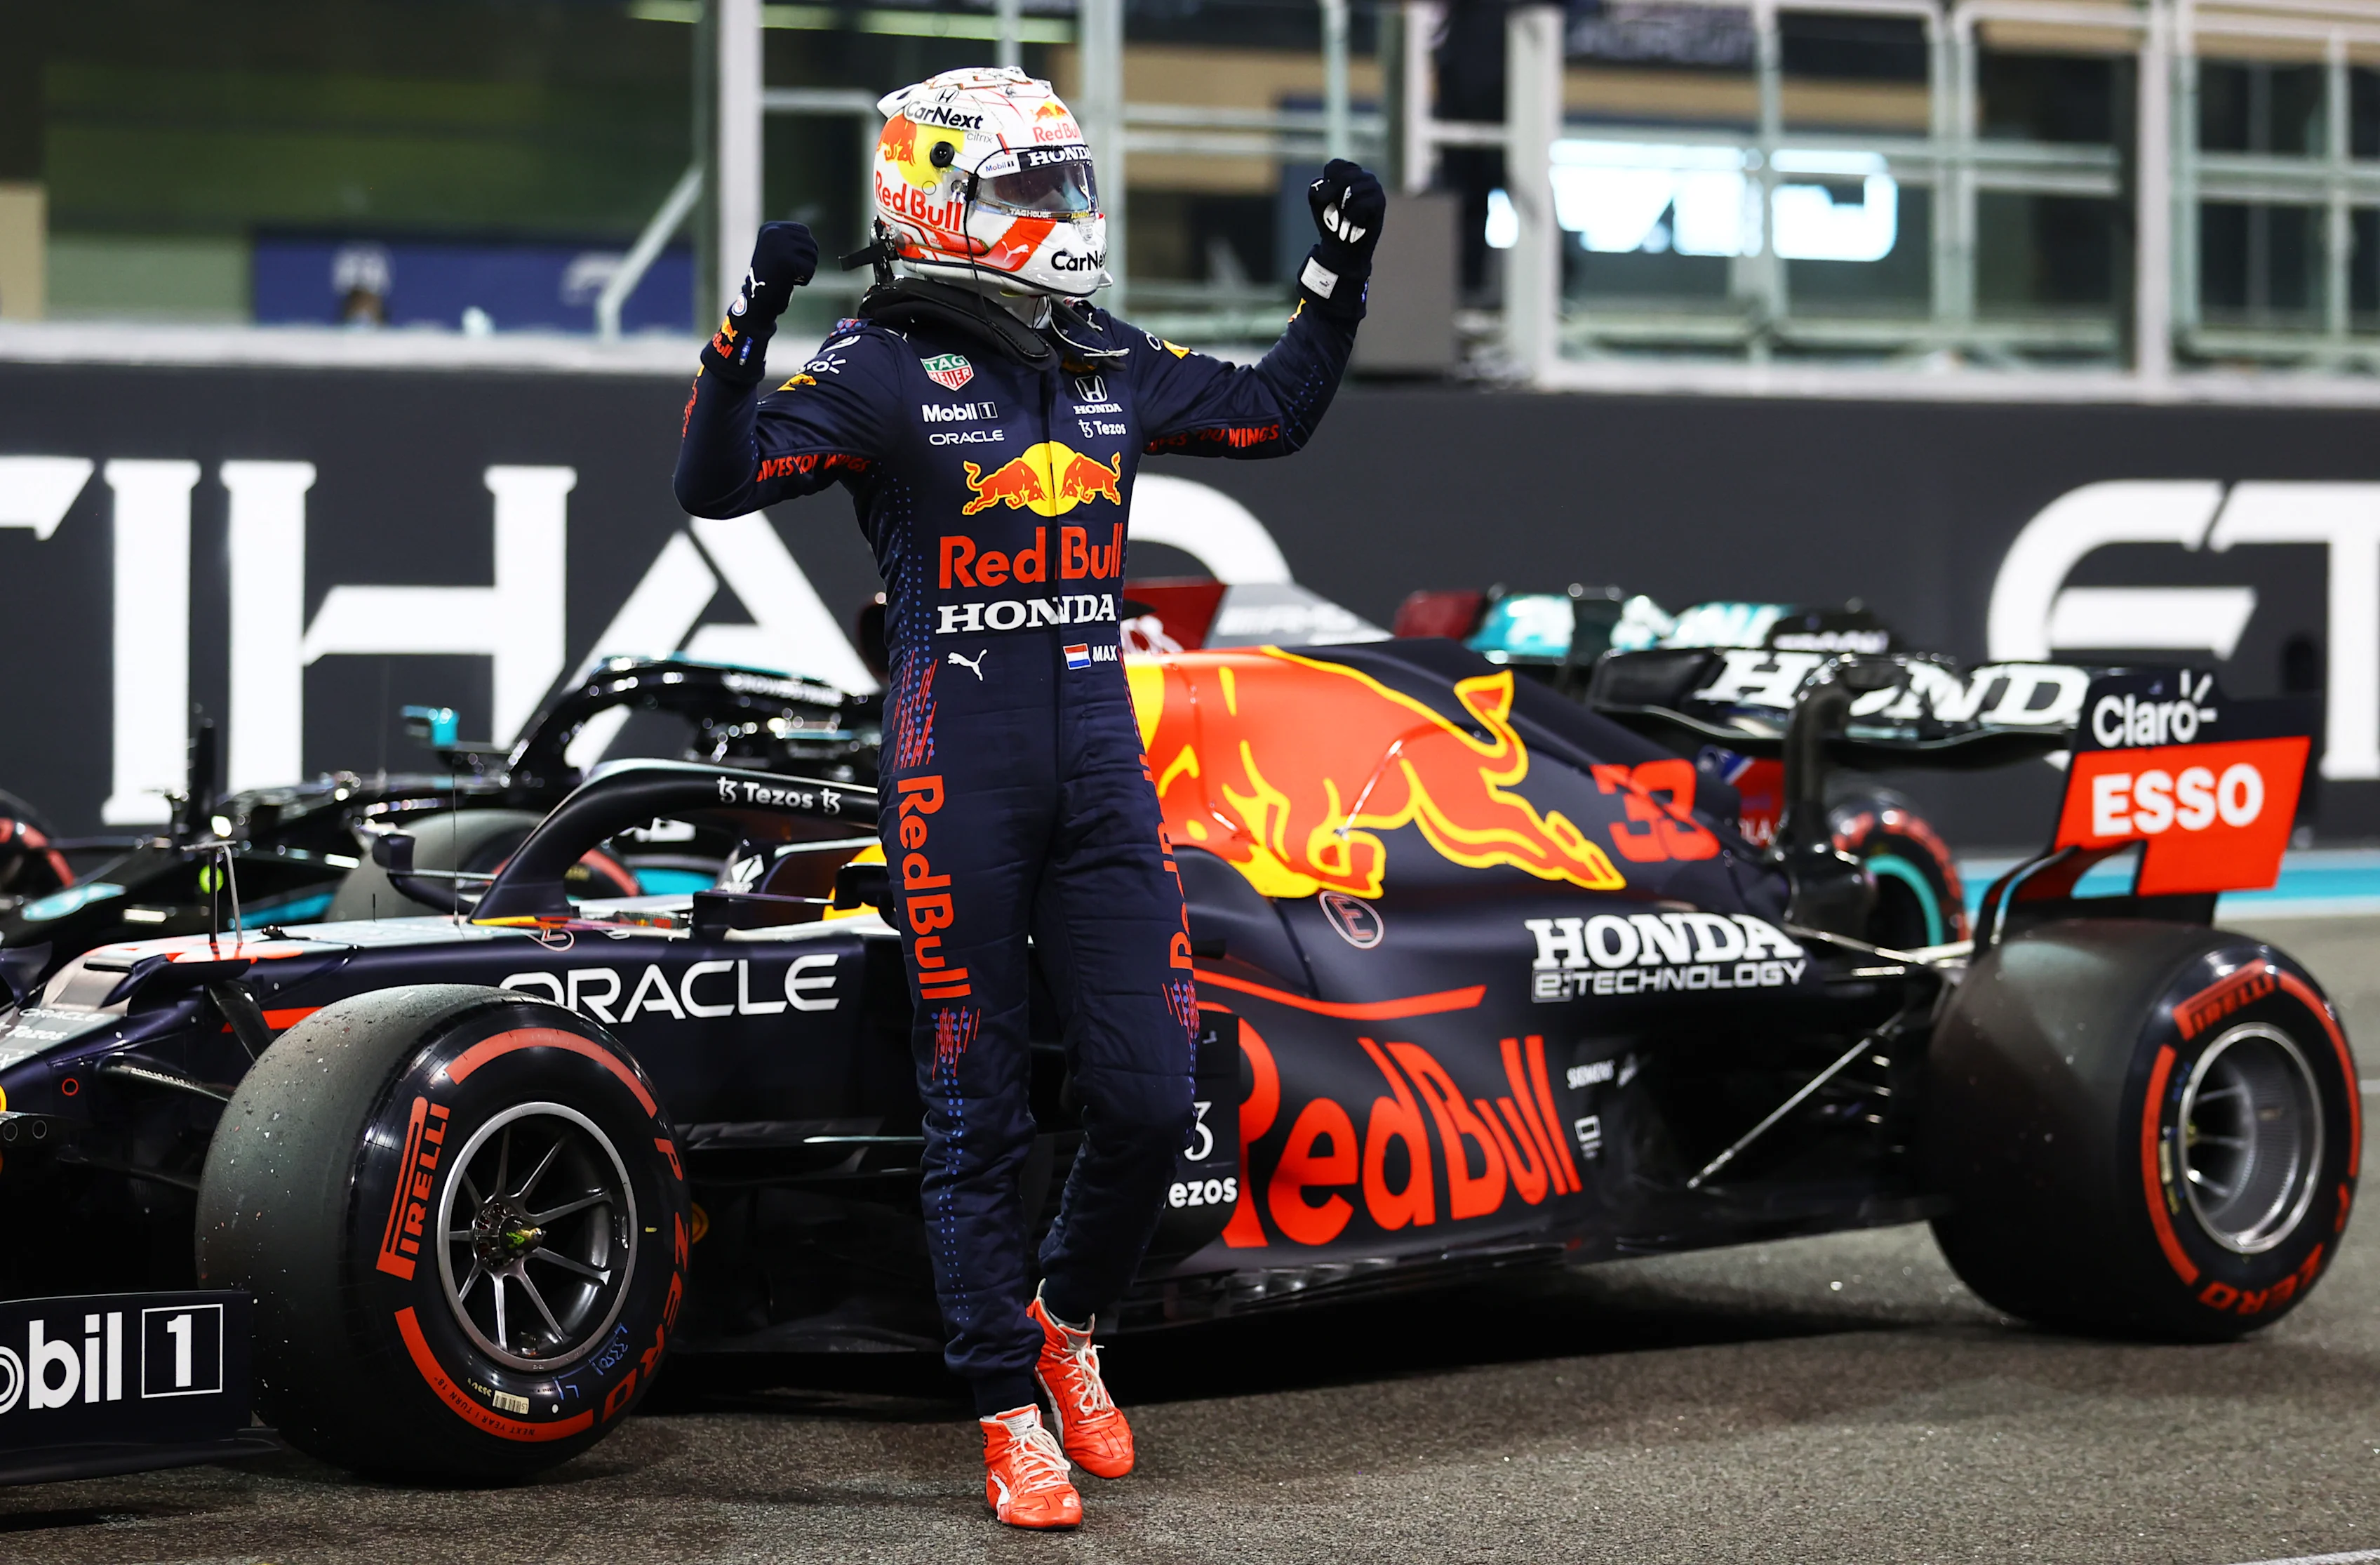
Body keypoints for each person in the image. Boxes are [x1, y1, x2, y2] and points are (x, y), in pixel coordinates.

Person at [673, 65, 1382, 1529]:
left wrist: (1336, 272)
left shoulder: (1103, 351)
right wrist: (745, 329)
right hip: (955, 776)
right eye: (1030, 189)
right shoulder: (874, 365)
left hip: (1101, 775)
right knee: (972, 1109)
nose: (1068, 214)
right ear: (940, 201)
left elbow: (1273, 415)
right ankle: (1004, 1405)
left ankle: (1068, 1319)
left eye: (1069, 182)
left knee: (1150, 1088)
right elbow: (717, 477)